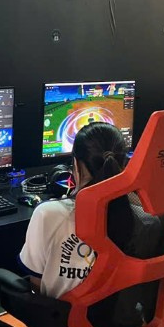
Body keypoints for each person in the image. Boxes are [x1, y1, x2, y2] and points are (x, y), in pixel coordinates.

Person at [18, 122, 130, 298]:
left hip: (60, 314)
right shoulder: (143, 213)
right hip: (120, 313)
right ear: (123, 164)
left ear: (76, 166)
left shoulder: (48, 214)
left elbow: (36, 284)